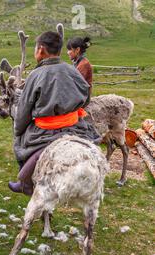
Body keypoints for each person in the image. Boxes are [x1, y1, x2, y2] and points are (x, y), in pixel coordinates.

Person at [8, 31, 100, 195]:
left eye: (35, 48)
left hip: (46, 131)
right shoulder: (72, 70)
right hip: (75, 126)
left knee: (19, 142)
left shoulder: (36, 75)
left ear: (41, 50)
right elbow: (86, 95)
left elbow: (23, 111)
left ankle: (25, 182)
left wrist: (18, 130)